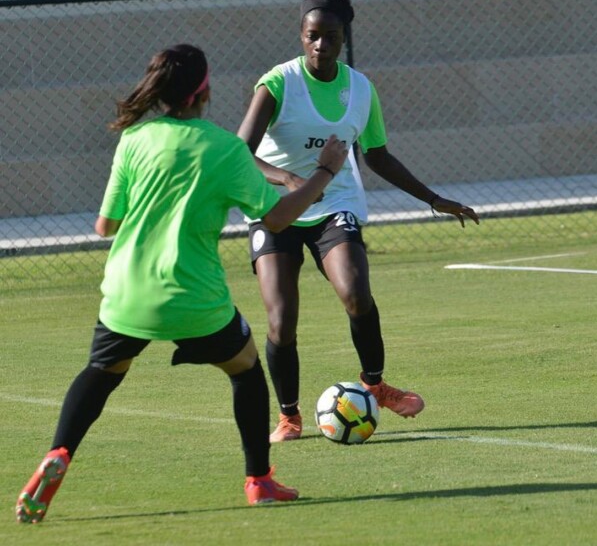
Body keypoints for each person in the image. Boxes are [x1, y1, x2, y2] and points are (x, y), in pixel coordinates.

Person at [15, 44, 348, 523]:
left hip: (128, 294)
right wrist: (325, 171)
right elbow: (276, 220)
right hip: (196, 300)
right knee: (246, 371)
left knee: (102, 372)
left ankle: (59, 452)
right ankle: (259, 480)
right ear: (204, 92)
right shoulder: (226, 149)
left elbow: (105, 226)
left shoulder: (135, 138)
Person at [237, 0, 480, 442]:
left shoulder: (361, 89)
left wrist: (433, 199)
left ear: (343, 38)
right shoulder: (278, 83)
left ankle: (374, 386)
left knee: (355, 293)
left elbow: (378, 156)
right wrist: (288, 179)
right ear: (301, 34)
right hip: (275, 209)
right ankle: (288, 415)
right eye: (312, 36)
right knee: (281, 320)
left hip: (335, 202)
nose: (320, 45)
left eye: (330, 37)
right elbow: (240, 153)